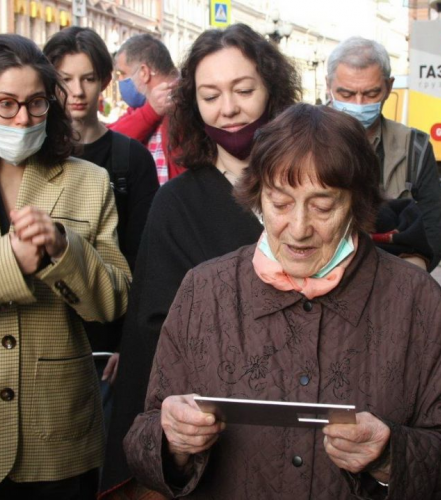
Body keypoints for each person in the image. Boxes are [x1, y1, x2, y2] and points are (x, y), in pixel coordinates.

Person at [124, 103, 441, 499]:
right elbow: (142, 440)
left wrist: (390, 455)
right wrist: (173, 442)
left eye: (323, 206)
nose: (299, 228)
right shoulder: (205, 290)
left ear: (356, 205)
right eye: (280, 202)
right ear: (258, 198)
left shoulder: (416, 300)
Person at [0, 34, 130, 498]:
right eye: (6, 105)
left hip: (58, 431)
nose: (23, 118)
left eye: (36, 103)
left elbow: (114, 301)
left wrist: (64, 249)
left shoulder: (89, 181)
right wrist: (6, 261)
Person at [101, 23, 301, 494]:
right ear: (194, 105)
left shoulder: (311, 188)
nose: (228, 109)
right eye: (210, 95)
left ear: (272, 91)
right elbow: (153, 331)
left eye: (244, 90)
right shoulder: (176, 204)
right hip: (215, 438)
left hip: (308, 422)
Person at [43, 26, 159, 427]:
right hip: (47, 340)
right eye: (64, 79)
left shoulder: (131, 159)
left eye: (88, 79)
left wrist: (132, 344)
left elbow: (142, 259)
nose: (76, 91)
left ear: (105, 82)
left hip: (107, 346)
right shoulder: (32, 157)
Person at [326, 36, 441, 271]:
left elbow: (434, 234)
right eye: (347, 94)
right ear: (328, 85)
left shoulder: (414, 147)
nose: (359, 104)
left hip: (393, 281)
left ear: (389, 87)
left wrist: (405, 282)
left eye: (370, 94)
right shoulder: (300, 139)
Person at [111, 33, 185, 185]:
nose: (120, 80)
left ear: (144, 72)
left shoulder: (188, 102)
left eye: (122, 73)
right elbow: (112, 141)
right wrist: (151, 111)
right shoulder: (144, 106)